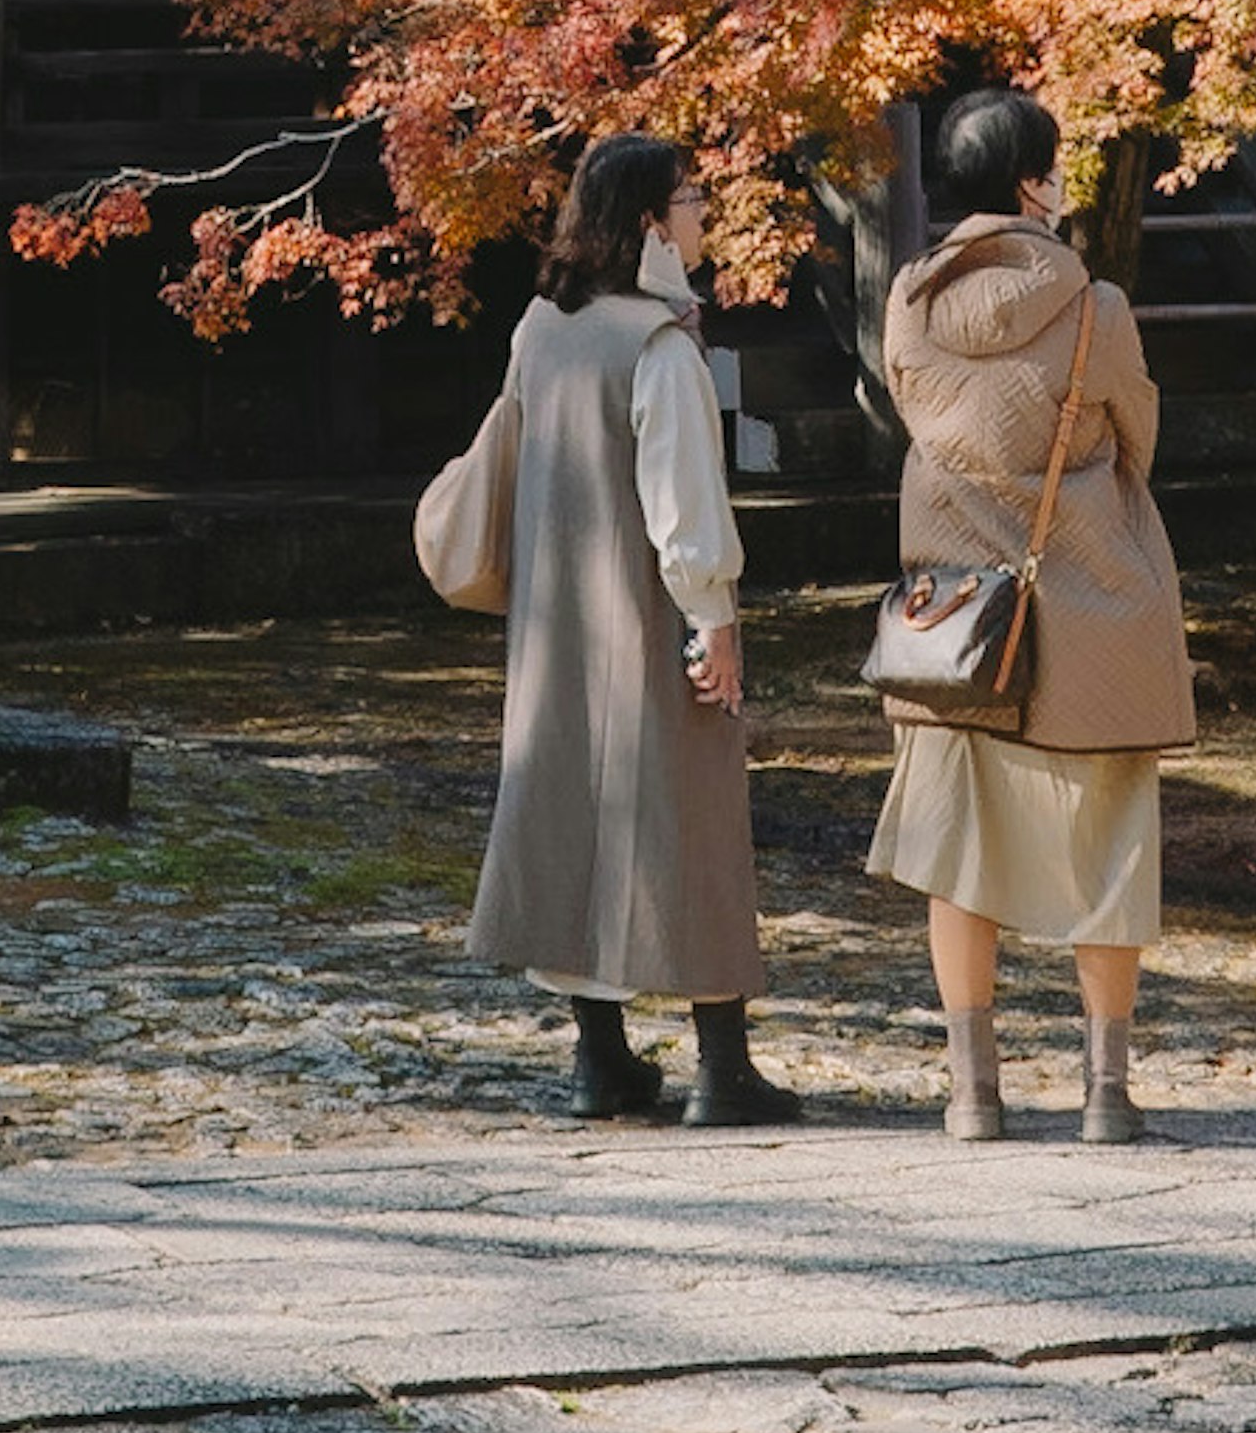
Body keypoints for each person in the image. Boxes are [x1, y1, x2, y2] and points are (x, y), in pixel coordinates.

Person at [872, 88, 1195, 1147]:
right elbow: (1138, 431)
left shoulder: (908, 301)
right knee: (1105, 847)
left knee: (956, 855)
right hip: (1085, 602)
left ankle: (973, 1092)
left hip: (953, 623)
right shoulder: (1095, 306)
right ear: (1031, 182)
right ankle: (1105, 1094)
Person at [467, 129, 802, 1130]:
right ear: (654, 219)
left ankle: (599, 1059)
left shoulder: (541, 330)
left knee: (573, 816)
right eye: (693, 195)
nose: (706, 210)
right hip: (652, 617)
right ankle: (722, 1065)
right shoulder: (658, 345)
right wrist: (717, 621)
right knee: (694, 822)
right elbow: (684, 507)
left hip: (556, 620)